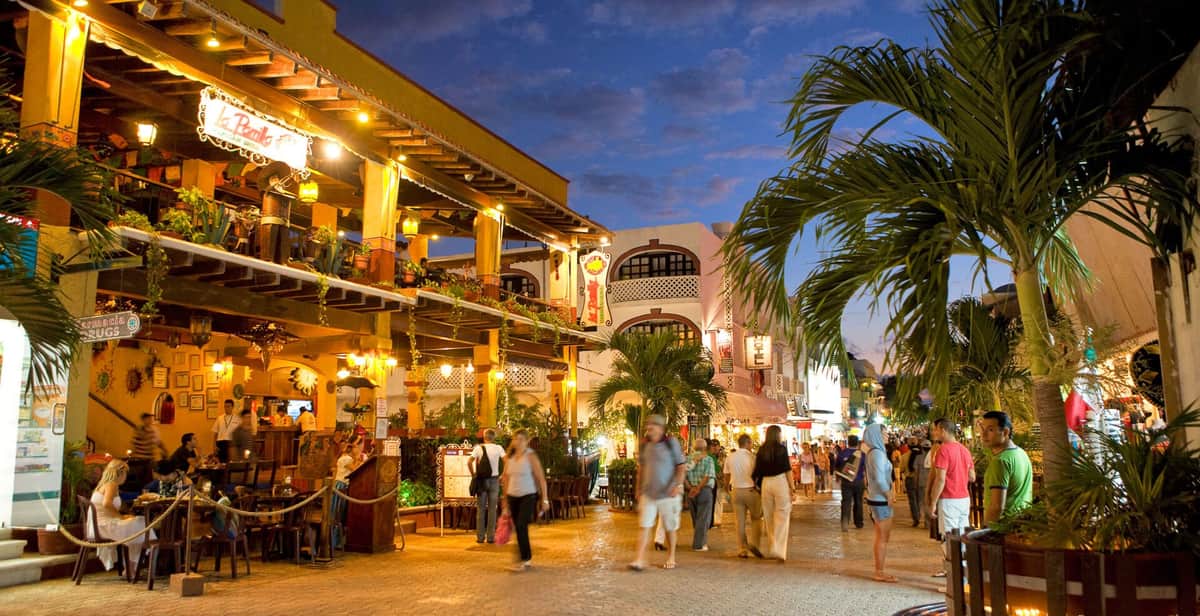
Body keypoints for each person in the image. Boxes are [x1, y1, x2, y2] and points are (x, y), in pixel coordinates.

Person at [630, 414, 686, 571]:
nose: (649, 429)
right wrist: (638, 488)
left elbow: (681, 466)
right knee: (645, 525)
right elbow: (641, 468)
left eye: (653, 426)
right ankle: (639, 559)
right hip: (649, 493)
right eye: (648, 426)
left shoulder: (671, 443)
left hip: (668, 493)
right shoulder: (644, 444)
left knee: (669, 527)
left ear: (661, 429)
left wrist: (677, 485)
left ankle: (671, 556)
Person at [927, 419, 975, 578]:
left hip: (949, 499)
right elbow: (972, 476)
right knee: (961, 535)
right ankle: (962, 572)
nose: (934, 432)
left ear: (943, 430)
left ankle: (955, 577)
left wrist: (933, 502)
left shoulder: (943, 450)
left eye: (935, 429)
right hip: (964, 499)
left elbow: (940, 479)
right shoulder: (964, 450)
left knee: (949, 537)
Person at [88, 459, 153, 575]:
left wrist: (124, 515)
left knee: (137, 527)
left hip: (98, 526)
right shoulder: (111, 484)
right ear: (120, 473)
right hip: (104, 527)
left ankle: (130, 567)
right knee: (141, 524)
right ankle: (131, 567)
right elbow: (107, 504)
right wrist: (120, 517)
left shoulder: (102, 485)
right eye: (125, 473)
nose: (126, 477)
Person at [501, 428, 549, 571]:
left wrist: (545, 499)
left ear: (527, 441)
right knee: (518, 527)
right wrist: (505, 501)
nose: (518, 442)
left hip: (528, 495)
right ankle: (525, 557)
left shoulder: (530, 456)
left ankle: (524, 559)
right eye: (516, 439)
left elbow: (541, 478)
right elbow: (505, 479)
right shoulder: (509, 458)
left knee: (521, 525)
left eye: (522, 439)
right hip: (512, 496)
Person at [980, 411, 1033, 525]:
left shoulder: (1000, 461)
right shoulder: (1021, 453)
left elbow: (996, 507)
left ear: (1005, 432)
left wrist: (986, 529)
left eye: (990, 430)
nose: (983, 435)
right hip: (1021, 524)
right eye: (982, 429)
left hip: (1002, 527)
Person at [753, 425, 793, 562]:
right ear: (778, 435)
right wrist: (792, 487)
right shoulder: (782, 449)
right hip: (780, 481)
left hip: (766, 483)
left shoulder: (762, 449)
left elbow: (757, 470)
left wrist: (757, 485)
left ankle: (772, 547)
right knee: (782, 515)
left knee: (768, 516)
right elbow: (787, 469)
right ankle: (779, 550)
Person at [863, 424, 897, 583]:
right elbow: (878, 478)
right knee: (883, 537)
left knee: (882, 536)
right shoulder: (877, 453)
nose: (887, 435)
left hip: (877, 498)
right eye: (884, 433)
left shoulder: (874, 452)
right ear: (876, 435)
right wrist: (888, 493)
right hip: (880, 500)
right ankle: (879, 572)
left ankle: (880, 570)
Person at [725, 434, 763, 558]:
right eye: (750, 443)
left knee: (739, 521)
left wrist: (727, 487)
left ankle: (742, 549)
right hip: (751, 490)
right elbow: (757, 474)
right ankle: (755, 544)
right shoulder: (752, 457)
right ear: (747, 443)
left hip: (736, 490)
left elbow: (726, 474)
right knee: (756, 518)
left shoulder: (730, 457)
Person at [469, 429, 506, 544]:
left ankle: (480, 537)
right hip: (495, 480)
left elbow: (469, 462)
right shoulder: (498, 448)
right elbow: (507, 461)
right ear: (494, 437)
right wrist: (502, 475)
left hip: (482, 481)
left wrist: (473, 474)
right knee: (492, 509)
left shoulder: (478, 448)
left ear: (484, 437)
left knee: (481, 509)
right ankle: (490, 537)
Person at [330, 437, 363, 549]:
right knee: (338, 514)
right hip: (341, 487)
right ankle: (335, 541)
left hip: (339, 486)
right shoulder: (347, 459)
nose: (359, 449)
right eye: (357, 447)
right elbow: (355, 470)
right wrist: (358, 459)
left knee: (338, 514)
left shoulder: (344, 457)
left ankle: (337, 540)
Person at [684, 438, 716, 551]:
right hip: (704, 490)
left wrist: (691, 488)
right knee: (703, 518)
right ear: (705, 448)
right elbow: (707, 476)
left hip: (691, 492)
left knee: (696, 517)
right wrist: (698, 488)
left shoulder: (687, 459)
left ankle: (702, 541)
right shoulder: (708, 459)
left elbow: (683, 476)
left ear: (693, 447)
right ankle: (698, 544)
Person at [128, 412, 168, 489]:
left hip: (149, 459)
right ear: (143, 420)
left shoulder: (153, 430)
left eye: (150, 419)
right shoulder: (139, 430)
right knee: (141, 478)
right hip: (139, 459)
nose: (150, 420)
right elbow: (134, 444)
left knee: (151, 477)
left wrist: (164, 450)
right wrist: (132, 456)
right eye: (148, 419)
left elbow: (158, 442)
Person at [835, 435, 866, 531]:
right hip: (859, 481)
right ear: (857, 443)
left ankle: (845, 523)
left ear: (848, 442)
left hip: (846, 482)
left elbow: (837, 466)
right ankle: (859, 523)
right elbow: (865, 468)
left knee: (846, 502)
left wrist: (838, 477)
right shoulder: (862, 455)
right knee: (858, 502)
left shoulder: (842, 453)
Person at [905, 439, 926, 527]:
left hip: (910, 479)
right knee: (921, 499)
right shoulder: (923, 456)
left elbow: (902, 468)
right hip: (922, 479)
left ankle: (916, 518)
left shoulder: (905, 455)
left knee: (912, 500)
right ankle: (923, 518)